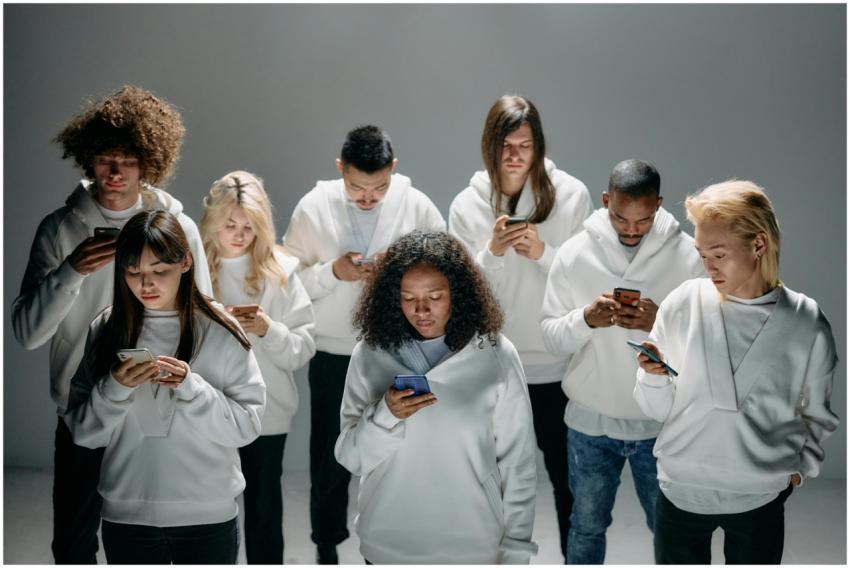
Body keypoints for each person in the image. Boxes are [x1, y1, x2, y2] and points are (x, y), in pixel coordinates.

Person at [10, 85, 211, 564]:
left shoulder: (178, 228)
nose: (115, 172)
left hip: (154, 409)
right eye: (104, 159)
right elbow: (27, 334)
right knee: (75, 544)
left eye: (127, 159)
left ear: (148, 162)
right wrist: (71, 271)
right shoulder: (59, 229)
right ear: (87, 161)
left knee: (143, 544)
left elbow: (201, 318)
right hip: (81, 408)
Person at [633, 180, 839, 564]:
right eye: (701, 254)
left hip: (759, 495)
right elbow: (656, 410)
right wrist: (653, 375)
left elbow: (819, 413)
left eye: (718, 254)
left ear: (758, 244)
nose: (707, 266)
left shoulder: (805, 321)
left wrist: (799, 468)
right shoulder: (683, 303)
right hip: (681, 490)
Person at [281, 125, 446, 563]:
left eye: (379, 188)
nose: (368, 198)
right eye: (357, 188)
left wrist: (398, 273)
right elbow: (284, 284)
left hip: (402, 349)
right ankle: (326, 546)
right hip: (334, 351)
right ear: (340, 170)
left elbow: (447, 270)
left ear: (393, 169)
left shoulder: (417, 204)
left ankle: (396, 544)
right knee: (330, 457)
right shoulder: (313, 207)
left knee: (402, 450)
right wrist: (332, 272)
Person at [64, 210, 265, 564]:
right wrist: (114, 388)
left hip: (208, 515)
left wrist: (192, 388)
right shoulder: (107, 328)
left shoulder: (221, 329)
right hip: (127, 516)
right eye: (133, 272)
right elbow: (83, 433)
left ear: (186, 262)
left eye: (160, 271)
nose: (146, 285)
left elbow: (247, 427)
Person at [334, 231, 538, 564]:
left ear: (457, 294)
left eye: (435, 296)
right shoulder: (369, 355)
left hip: (472, 548)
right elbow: (351, 458)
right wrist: (385, 414)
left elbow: (519, 463)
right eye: (408, 297)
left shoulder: (496, 353)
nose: (421, 309)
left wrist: (516, 551)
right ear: (392, 297)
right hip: (387, 547)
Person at [449, 94, 592, 559]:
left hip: (556, 364)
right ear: (489, 147)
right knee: (494, 481)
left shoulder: (570, 195)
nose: (514, 156)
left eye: (525, 146)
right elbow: (458, 290)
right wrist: (490, 252)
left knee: (569, 484)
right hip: (492, 367)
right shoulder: (466, 204)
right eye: (505, 145)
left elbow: (588, 283)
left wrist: (542, 255)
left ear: (539, 146)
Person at [540, 159, 703, 564]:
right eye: (620, 217)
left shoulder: (688, 255)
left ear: (660, 205)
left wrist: (659, 318)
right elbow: (550, 337)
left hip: (662, 426)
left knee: (671, 532)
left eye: (643, 220)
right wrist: (585, 320)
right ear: (605, 200)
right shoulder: (574, 254)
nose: (631, 229)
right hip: (590, 424)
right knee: (586, 527)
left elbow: (709, 343)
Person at [200, 170, 317, 564]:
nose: (238, 235)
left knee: (264, 510)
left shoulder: (280, 271)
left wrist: (268, 328)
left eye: (249, 227)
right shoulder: (191, 268)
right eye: (230, 225)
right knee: (207, 512)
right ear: (213, 221)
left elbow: (302, 349)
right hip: (204, 408)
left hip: (268, 412)